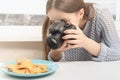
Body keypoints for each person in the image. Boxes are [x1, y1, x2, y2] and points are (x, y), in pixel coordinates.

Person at [42, 0, 120, 62]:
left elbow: (117, 54)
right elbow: (55, 64)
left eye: (64, 20)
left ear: (81, 13)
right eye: (53, 21)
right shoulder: (55, 23)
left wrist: (85, 42)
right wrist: (56, 52)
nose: (57, 26)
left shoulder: (100, 15)